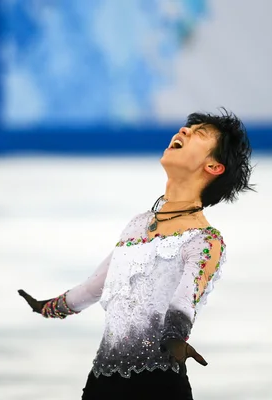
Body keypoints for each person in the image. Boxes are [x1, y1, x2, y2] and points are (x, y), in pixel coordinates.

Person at [18, 108, 254, 399]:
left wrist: (176, 337)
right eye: (187, 128)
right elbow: (97, 285)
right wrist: (49, 306)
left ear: (214, 167)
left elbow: (185, 298)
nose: (183, 131)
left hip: (158, 382)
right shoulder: (139, 225)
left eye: (199, 134)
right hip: (102, 381)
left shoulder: (205, 240)